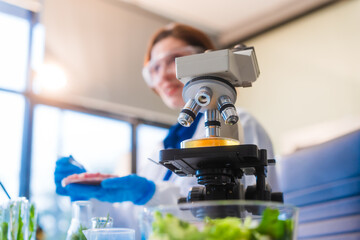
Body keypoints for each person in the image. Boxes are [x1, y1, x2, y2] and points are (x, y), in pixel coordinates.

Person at [54, 22, 279, 238]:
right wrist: (91, 197)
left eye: (174, 60)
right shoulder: (162, 147)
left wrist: (152, 194)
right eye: (154, 68)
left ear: (205, 60)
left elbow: (237, 213)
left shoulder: (239, 123)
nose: (162, 76)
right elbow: (133, 224)